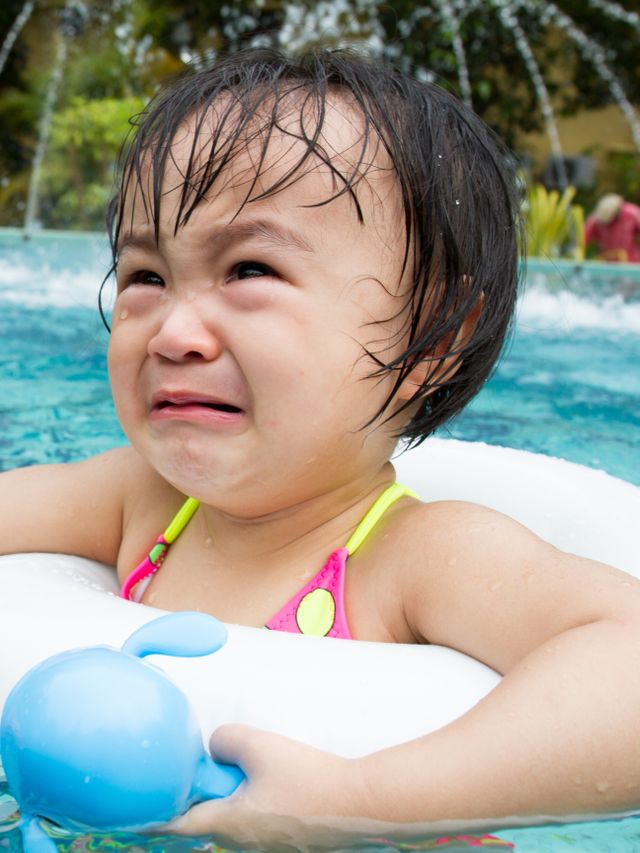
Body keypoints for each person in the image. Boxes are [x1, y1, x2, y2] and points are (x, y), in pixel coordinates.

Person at [3, 48, 640, 849]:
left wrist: (364, 798)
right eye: (144, 275)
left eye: (250, 268)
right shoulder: (141, 500)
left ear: (430, 340)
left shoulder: (416, 558)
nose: (172, 332)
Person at [584, 192, 640, 262]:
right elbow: (583, 239)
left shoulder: (632, 213)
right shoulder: (597, 217)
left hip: (630, 262)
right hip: (605, 262)